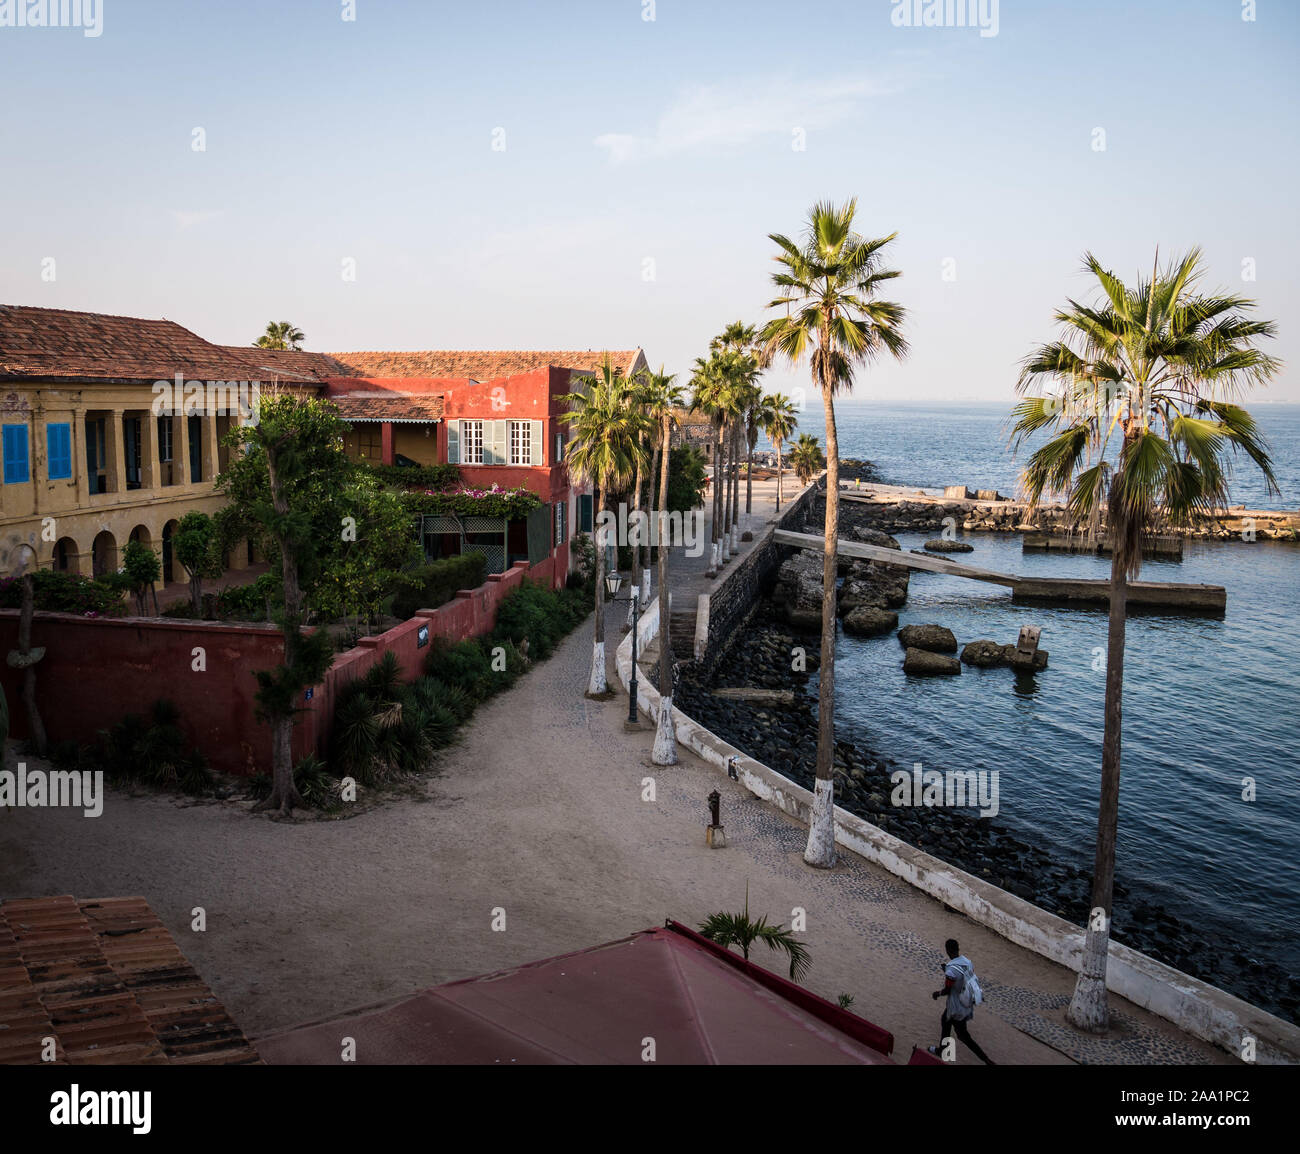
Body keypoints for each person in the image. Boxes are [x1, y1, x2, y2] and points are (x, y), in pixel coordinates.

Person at [928, 938, 995, 1064]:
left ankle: (986, 1060)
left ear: (947, 950)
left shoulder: (951, 970)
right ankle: (943, 1050)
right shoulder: (967, 962)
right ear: (958, 949)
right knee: (946, 1022)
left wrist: (937, 993)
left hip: (955, 1006)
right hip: (966, 1003)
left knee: (963, 1035)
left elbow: (948, 989)